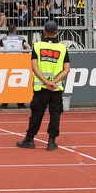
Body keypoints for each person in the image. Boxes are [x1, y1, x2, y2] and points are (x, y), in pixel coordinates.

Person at [16, 20, 70, 151]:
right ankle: (51, 142)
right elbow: (66, 69)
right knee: (55, 114)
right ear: (57, 32)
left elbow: (34, 67)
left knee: (37, 113)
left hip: (41, 87)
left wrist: (46, 82)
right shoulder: (62, 48)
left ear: (44, 31)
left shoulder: (37, 46)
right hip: (56, 88)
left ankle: (29, 139)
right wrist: (54, 82)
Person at [0, 24, 30, 109]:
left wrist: (1, 55)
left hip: (7, 63)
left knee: (6, 83)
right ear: (16, 30)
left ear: (8, 30)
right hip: (18, 63)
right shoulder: (21, 38)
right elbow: (29, 48)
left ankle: (4, 104)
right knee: (19, 83)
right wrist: (25, 54)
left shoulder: (4, 39)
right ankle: (20, 104)